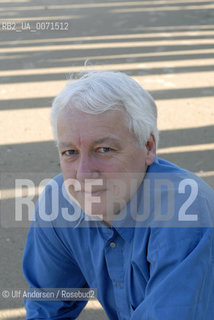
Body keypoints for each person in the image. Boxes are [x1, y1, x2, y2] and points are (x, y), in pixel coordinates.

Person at [23, 71, 214, 320]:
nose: (83, 174)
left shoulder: (186, 210)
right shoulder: (58, 203)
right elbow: (47, 309)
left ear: (148, 146)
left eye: (104, 149)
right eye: (70, 152)